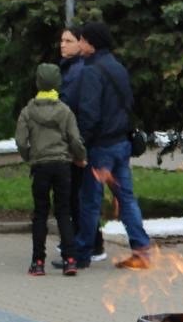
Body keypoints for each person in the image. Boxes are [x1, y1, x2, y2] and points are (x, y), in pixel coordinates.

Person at [75, 20, 153, 269]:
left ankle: (82, 254)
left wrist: (81, 146)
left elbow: (89, 113)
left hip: (101, 147)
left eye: (81, 39)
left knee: (90, 200)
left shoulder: (91, 71)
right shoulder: (117, 67)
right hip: (121, 143)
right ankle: (141, 250)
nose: (79, 43)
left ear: (90, 43)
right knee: (126, 198)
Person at [15, 63, 86, 277]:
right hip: (63, 166)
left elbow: (20, 140)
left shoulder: (28, 111)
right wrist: (80, 157)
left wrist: (29, 156)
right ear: (57, 83)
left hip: (40, 166)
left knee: (40, 214)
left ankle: (37, 262)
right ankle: (70, 260)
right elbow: (74, 138)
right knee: (64, 212)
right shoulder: (65, 111)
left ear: (37, 83)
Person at [56, 24, 106, 268]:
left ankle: (89, 243)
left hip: (78, 141)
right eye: (61, 40)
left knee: (81, 194)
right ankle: (84, 240)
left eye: (68, 40)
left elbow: (71, 106)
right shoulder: (70, 68)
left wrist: (77, 144)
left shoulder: (78, 71)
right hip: (75, 140)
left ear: (79, 44)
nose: (62, 44)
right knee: (79, 192)